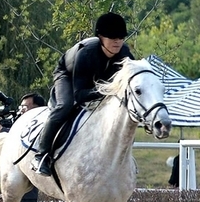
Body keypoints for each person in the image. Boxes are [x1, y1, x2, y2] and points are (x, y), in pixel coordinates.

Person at [33, 12, 134, 176]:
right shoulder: (87, 54)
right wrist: (108, 89)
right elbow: (79, 96)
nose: (117, 41)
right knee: (65, 106)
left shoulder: (125, 55)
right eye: (112, 37)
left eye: (121, 37)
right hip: (66, 74)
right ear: (100, 37)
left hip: (98, 81)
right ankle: (41, 155)